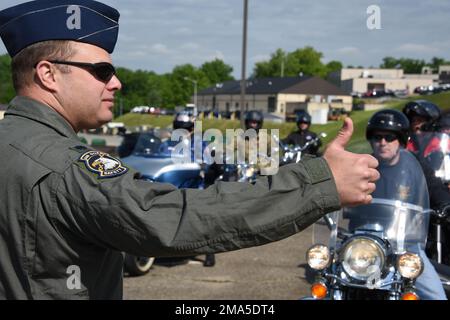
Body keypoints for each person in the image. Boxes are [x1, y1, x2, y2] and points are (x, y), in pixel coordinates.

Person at [0, 0, 379, 299]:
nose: (115, 83)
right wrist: (320, 183)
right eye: (101, 71)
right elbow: (172, 217)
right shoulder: (67, 167)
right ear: (48, 74)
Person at [365, 109, 446, 300]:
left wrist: (445, 203)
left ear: (401, 140)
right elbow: (341, 188)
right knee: (333, 280)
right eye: (378, 137)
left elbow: (435, 187)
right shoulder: (364, 166)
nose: (383, 142)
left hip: (407, 245)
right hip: (366, 241)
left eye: (389, 137)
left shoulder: (416, 165)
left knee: (436, 295)